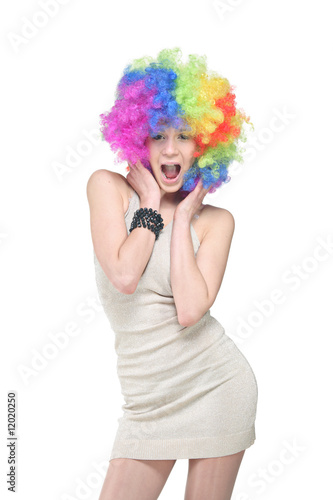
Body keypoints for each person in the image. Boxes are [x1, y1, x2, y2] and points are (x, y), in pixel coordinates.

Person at [86, 48, 258, 500]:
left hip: (216, 386)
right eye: (158, 134)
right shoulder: (108, 188)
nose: (169, 149)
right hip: (145, 403)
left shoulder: (215, 222)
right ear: (137, 138)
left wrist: (181, 218)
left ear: (204, 145)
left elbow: (189, 310)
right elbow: (124, 274)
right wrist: (148, 205)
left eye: (184, 136)